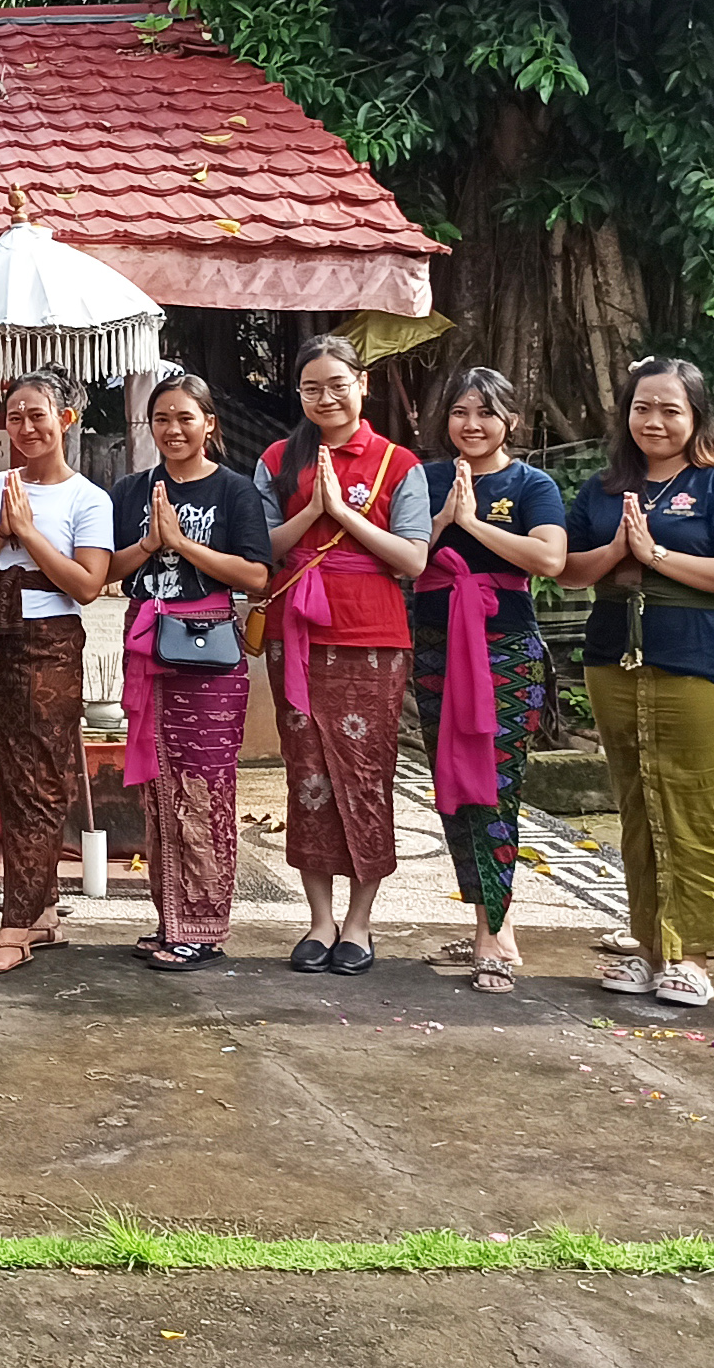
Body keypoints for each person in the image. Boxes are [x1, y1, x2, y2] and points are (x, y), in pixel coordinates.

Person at [556, 356, 714, 1009]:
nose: (653, 420)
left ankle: (696, 954)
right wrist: (617, 553)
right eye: (642, 406)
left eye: (669, 408)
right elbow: (566, 568)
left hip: (702, 661)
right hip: (613, 658)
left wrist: (655, 557)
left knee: (694, 806)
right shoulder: (601, 487)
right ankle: (650, 947)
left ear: (695, 416)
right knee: (637, 804)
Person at [257, 332, 430, 975]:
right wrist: (313, 512)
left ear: (362, 384)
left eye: (338, 384)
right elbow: (263, 547)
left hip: (372, 637)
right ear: (298, 394)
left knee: (365, 777)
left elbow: (412, 559)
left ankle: (358, 922)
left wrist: (343, 514)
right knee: (306, 778)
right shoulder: (279, 457)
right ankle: (319, 919)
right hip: (294, 635)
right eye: (311, 388)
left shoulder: (397, 462)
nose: (325, 398)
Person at [0, 371, 120, 977]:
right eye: (15, 417)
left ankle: (16, 928)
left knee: (40, 778)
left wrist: (28, 534)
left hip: (47, 641)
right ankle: (43, 908)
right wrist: (1, 530)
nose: (26, 428)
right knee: (1, 765)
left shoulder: (86, 498)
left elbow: (87, 584)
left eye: (38, 416)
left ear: (66, 420)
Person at [410, 369, 569, 995]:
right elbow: (404, 559)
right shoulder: (423, 480)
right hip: (434, 647)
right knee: (450, 785)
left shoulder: (532, 483)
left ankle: (493, 935)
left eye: (486, 412)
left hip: (503, 650)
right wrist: (442, 521)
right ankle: (488, 918)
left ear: (511, 421)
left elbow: (550, 560)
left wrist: (472, 525)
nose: (471, 424)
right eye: (459, 412)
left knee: (496, 787)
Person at [106, 371, 272, 974]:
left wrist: (184, 544)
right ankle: (170, 918)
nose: (173, 430)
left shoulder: (234, 491)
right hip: (150, 643)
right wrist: (151, 543)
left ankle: (204, 925)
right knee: (158, 789)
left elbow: (256, 576)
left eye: (185, 418)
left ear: (210, 425)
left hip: (208, 653)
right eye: (162, 420)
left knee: (205, 787)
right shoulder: (131, 489)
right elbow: (108, 571)